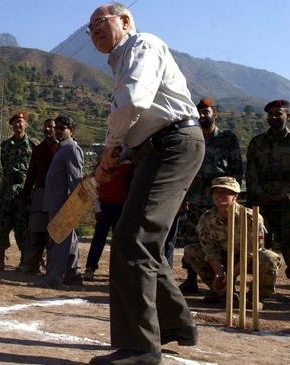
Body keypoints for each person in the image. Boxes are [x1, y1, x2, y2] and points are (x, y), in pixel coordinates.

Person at [87, 4, 204, 364]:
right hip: (156, 148)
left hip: (171, 145)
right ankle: (175, 324)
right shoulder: (122, 60)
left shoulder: (143, 45)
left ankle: (139, 349)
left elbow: (133, 101)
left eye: (100, 22)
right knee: (144, 241)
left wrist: (110, 148)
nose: (93, 31)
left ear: (125, 21)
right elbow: (140, 120)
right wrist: (116, 154)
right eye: (88, 28)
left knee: (132, 240)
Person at [178, 98, 243, 293]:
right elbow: (183, 169)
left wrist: (232, 196)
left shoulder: (227, 138)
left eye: (206, 112)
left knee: (221, 242)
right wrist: (181, 196)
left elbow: (236, 168)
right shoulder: (191, 137)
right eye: (199, 112)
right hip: (195, 198)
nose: (202, 116)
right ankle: (191, 280)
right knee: (192, 239)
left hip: (219, 200)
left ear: (214, 114)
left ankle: (225, 282)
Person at [184, 177, 281, 306]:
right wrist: (220, 275)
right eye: (216, 192)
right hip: (223, 259)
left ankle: (256, 297)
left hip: (247, 260)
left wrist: (230, 277)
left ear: (235, 196)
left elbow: (251, 252)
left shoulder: (251, 217)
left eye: (225, 192)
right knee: (192, 251)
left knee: (270, 257)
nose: (219, 195)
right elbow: (210, 250)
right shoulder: (207, 218)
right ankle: (220, 291)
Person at [246, 99, 290, 280]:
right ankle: (262, 287)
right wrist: (259, 195)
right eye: (270, 114)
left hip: (287, 204)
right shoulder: (257, 143)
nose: (273, 117)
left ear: (288, 115)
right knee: (261, 244)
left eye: (278, 113)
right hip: (261, 202)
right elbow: (250, 173)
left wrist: (285, 195)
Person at [0, 112, 38, 272]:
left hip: (24, 194)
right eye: (15, 123)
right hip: (6, 192)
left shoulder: (33, 145)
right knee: (2, 227)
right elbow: (4, 165)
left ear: (26, 124)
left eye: (21, 122)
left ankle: (24, 261)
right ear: (11, 125)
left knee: (22, 228)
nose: (18, 125)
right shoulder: (5, 145)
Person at [42, 116, 84, 288]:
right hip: (55, 203)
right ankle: (74, 276)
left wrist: (73, 208)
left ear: (71, 131)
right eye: (57, 127)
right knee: (68, 240)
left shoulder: (72, 149)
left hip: (63, 205)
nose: (58, 130)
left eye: (63, 127)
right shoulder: (61, 149)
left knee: (59, 241)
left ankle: (54, 279)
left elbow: (75, 180)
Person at [84, 153, 132, 280]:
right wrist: (97, 208)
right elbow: (93, 185)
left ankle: (117, 271)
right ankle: (90, 268)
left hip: (121, 207)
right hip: (105, 205)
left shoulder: (129, 166)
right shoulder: (104, 164)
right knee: (99, 238)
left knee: (118, 241)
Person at [19, 118, 59, 275]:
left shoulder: (63, 148)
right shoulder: (38, 149)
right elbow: (31, 174)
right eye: (46, 127)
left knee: (53, 233)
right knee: (35, 231)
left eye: (51, 127)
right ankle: (31, 265)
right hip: (40, 193)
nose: (48, 130)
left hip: (57, 195)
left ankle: (52, 266)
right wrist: (25, 194)